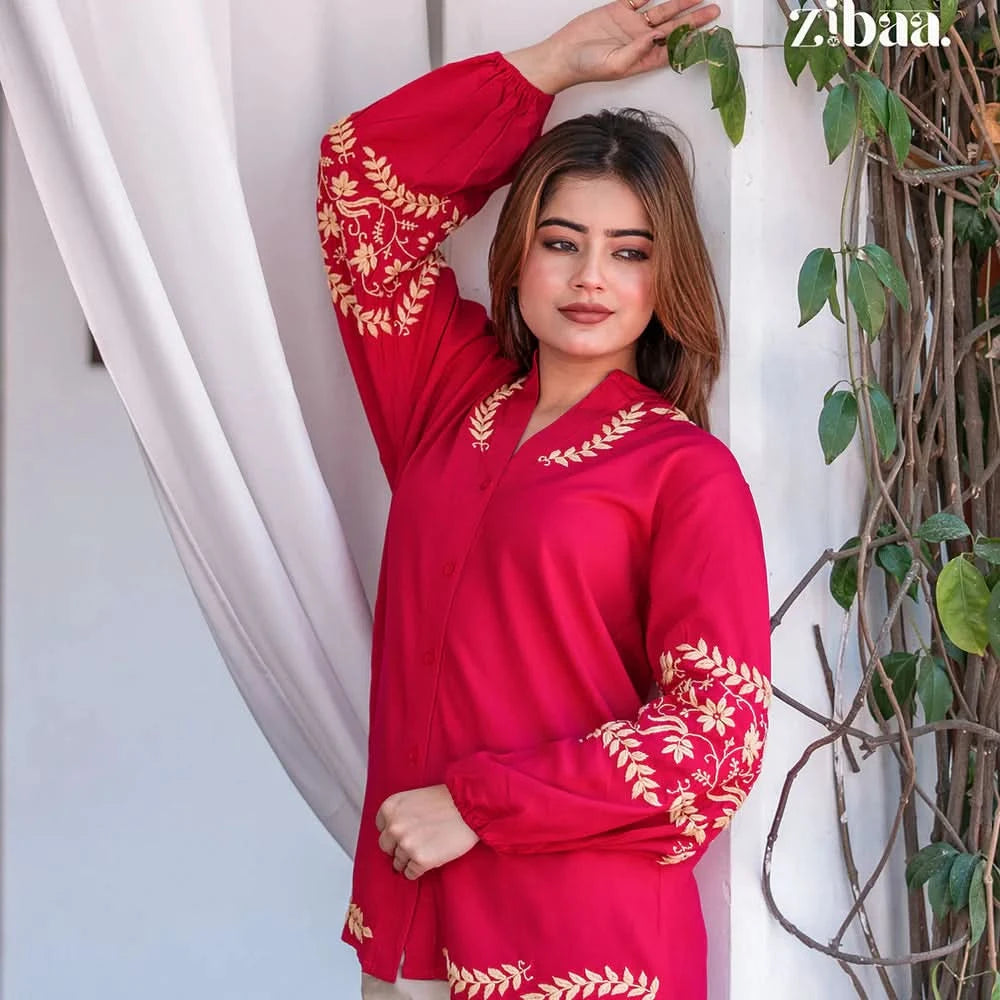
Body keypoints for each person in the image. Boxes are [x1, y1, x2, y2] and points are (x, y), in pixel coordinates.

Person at [316, 1, 770, 997]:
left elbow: (717, 739)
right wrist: (548, 66)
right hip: (411, 926)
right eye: (562, 241)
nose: (590, 278)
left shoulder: (681, 470)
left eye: (628, 251)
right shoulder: (446, 402)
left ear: (664, 275)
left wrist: (477, 805)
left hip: (585, 950)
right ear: (517, 251)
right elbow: (359, 188)